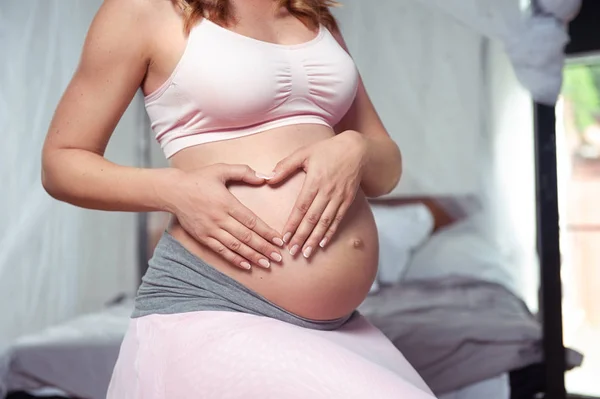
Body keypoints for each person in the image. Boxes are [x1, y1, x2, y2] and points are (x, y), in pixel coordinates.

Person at [41, 0, 436, 397]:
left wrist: (357, 149)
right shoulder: (142, 9)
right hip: (216, 303)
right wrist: (173, 190)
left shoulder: (311, 16)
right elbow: (61, 163)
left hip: (343, 328)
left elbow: (387, 171)